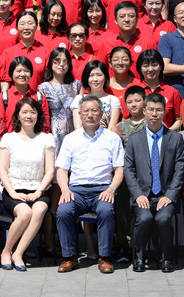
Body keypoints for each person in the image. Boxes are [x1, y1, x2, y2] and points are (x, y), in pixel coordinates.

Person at [54, 95, 125, 274]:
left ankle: (105, 257)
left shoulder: (112, 138)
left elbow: (119, 169)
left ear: (101, 113)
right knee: (63, 211)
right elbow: (62, 170)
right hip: (76, 191)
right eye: (85, 111)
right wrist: (65, 190)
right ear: (79, 114)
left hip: (102, 190)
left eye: (94, 111)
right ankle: (70, 257)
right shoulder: (71, 139)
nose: (90, 115)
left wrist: (111, 189)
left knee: (106, 211)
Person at [122, 92, 184, 273]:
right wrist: (138, 194)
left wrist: (170, 196)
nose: (154, 114)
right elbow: (129, 170)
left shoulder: (175, 138)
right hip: (142, 195)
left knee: (163, 219)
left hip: (165, 195)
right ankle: (139, 257)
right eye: (150, 110)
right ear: (144, 111)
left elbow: (180, 170)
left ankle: (166, 258)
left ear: (165, 112)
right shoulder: (134, 139)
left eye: (158, 110)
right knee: (144, 218)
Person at [0, 97, 56, 271]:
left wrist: (39, 191)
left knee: (39, 210)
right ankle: (6, 251)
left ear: (38, 115)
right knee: (24, 213)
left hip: (39, 188)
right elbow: (2, 170)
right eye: (24, 112)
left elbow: (50, 170)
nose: (28, 116)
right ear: (17, 116)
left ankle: (18, 254)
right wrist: (13, 192)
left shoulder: (46, 139)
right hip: (13, 189)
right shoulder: (9, 138)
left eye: (32, 112)